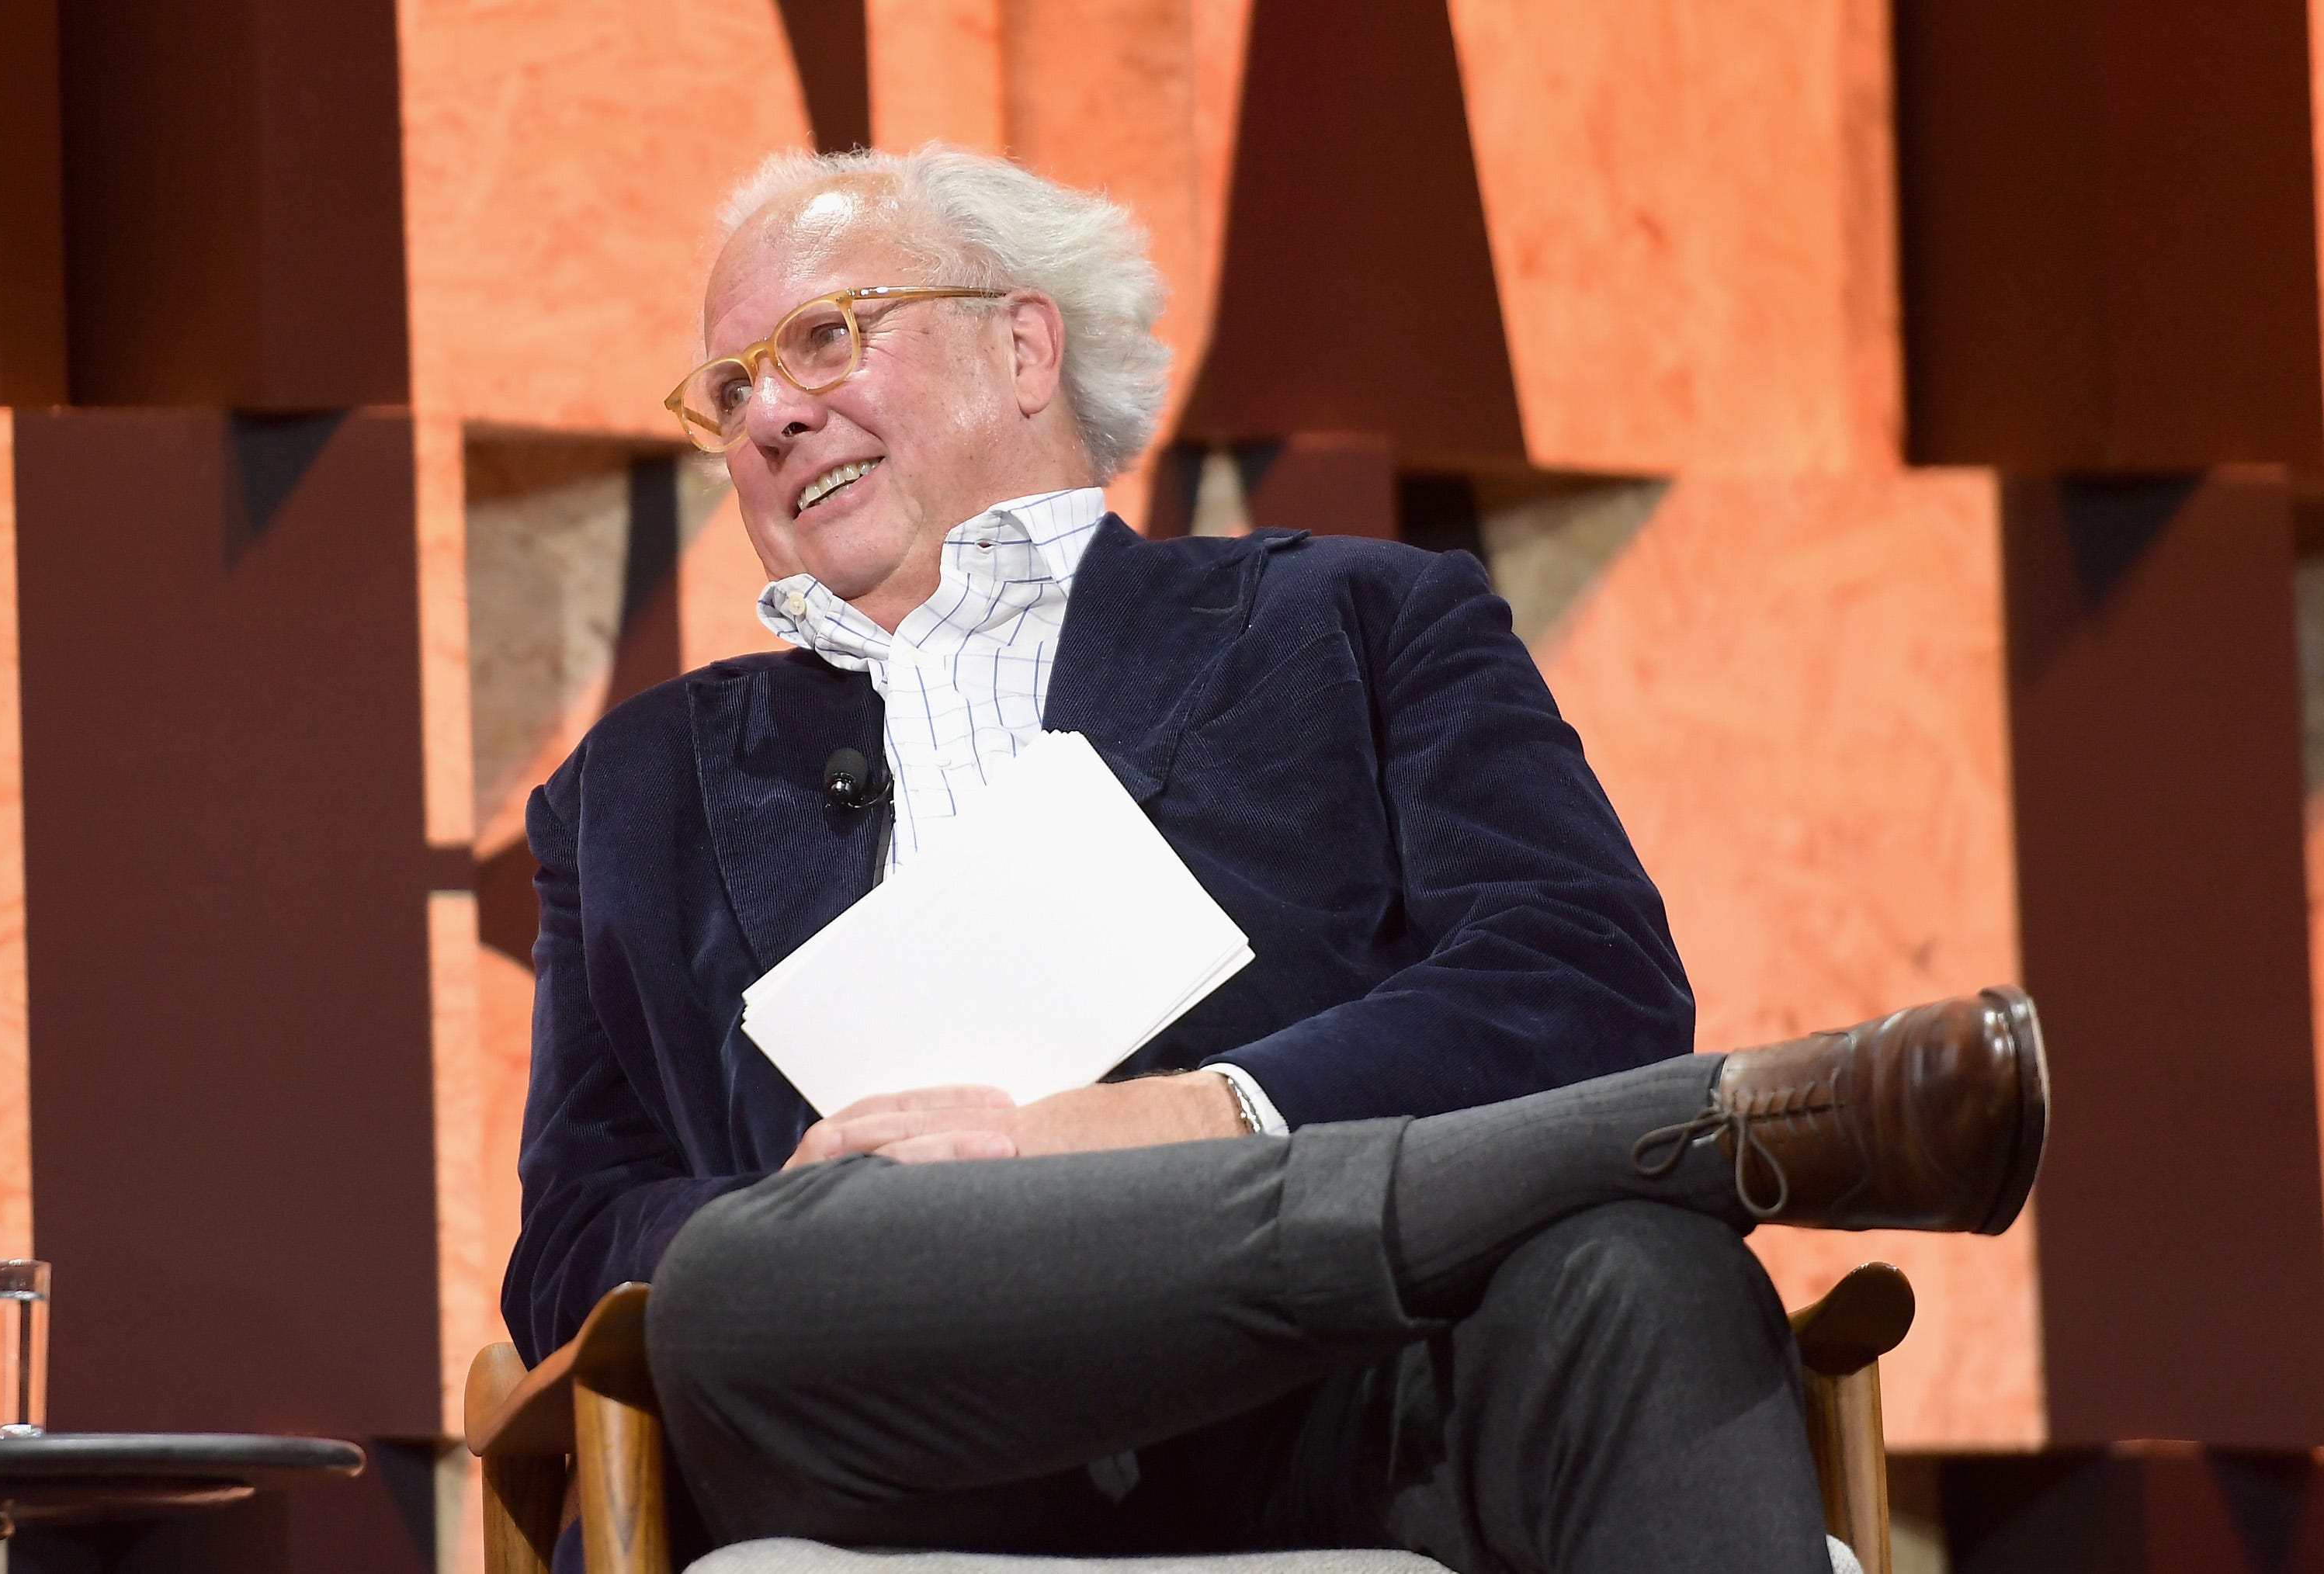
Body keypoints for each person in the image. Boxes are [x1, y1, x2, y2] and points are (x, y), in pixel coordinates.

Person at [508, 145, 2048, 1574]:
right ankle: (1723, 1127)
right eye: (729, 387)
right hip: (900, 1414)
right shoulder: (623, 797)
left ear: (1023, 349)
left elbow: (1578, 974)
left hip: (1350, 1406)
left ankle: (1653, 1160)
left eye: (825, 338)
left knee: (1653, 1273)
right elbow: (576, 1241)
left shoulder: (1363, 622)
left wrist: (1188, 1122)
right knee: (733, 1283)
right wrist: (807, 1193)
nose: (769, 412)